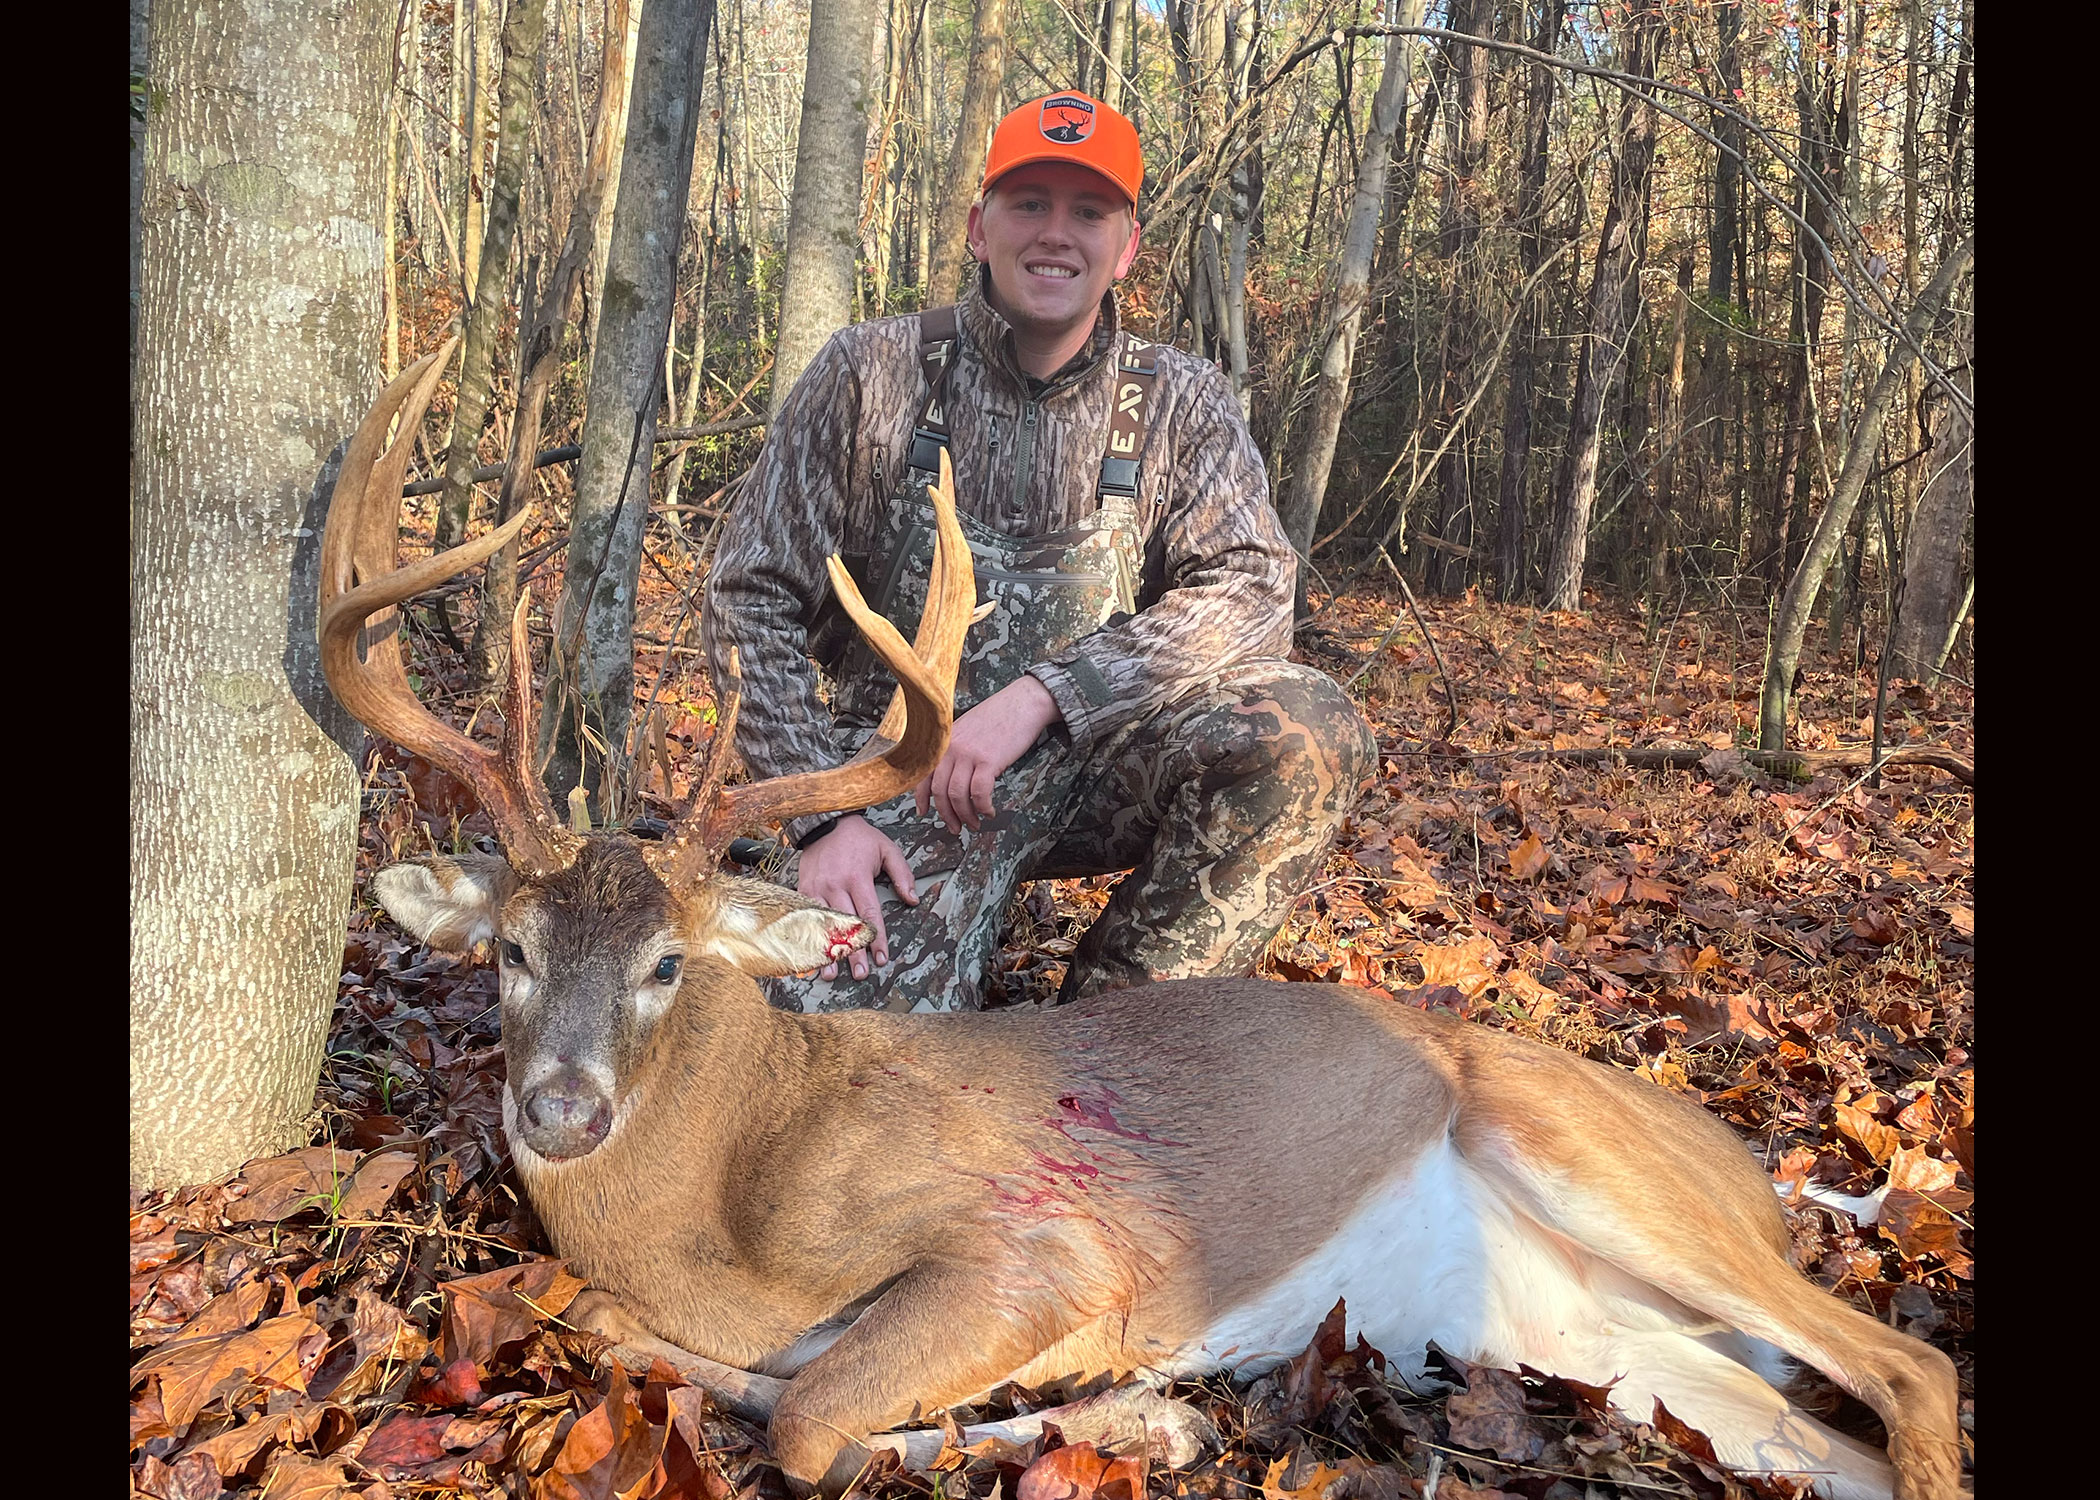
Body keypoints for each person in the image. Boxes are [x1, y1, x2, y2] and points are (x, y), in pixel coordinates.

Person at [701, 90, 1376, 1013]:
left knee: (1307, 733)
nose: (1056, 234)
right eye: (1030, 205)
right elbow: (749, 600)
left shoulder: (1180, 399)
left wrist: (1046, 699)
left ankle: (1114, 1026)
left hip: (1101, 762)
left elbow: (1255, 588)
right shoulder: (872, 375)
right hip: (905, 779)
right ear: (981, 227)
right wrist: (827, 818)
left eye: (1088, 211)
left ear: (1126, 245)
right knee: (844, 1054)